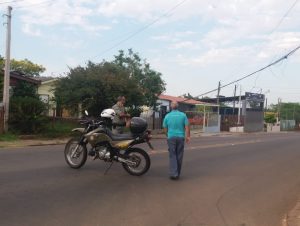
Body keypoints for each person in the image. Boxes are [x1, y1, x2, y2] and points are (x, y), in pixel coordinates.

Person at [163, 101, 190, 180]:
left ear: (171, 107)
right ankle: (177, 173)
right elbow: (187, 127)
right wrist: (188, 136)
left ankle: (174, 174)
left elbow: (165, 128)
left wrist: (167, 135)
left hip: (171, 137)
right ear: (178, 106)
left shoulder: (167, 116)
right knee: (179, 155)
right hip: (181, 137)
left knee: (173, 155)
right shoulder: (183, 115)